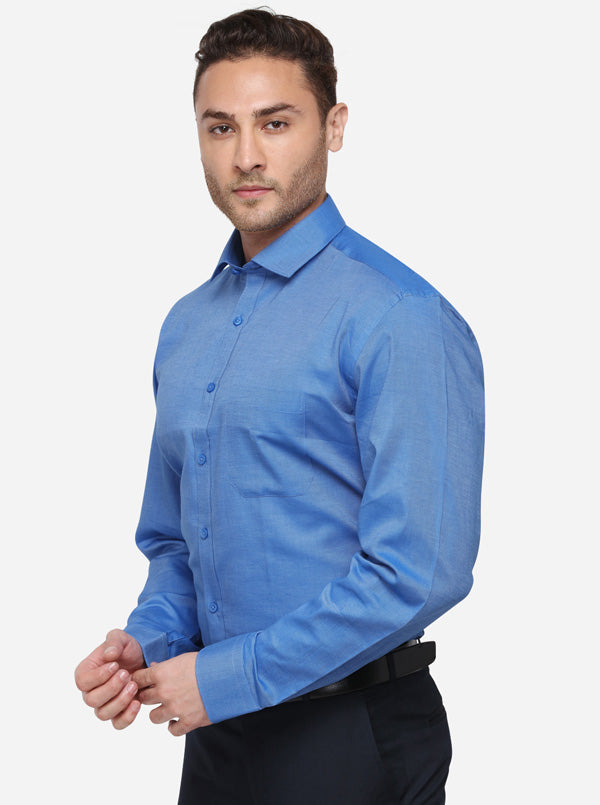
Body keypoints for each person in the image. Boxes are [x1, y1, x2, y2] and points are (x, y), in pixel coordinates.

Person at [75, 9, 484, 804]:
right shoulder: (187, 324)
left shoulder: (400, 316)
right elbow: (176, 540)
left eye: (275, 122)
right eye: (220, 127)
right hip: (216, 732)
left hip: (351, 733)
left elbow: (419, 571)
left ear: (333, 127)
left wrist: (226, 676)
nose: (246, 156)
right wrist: (149, 640)